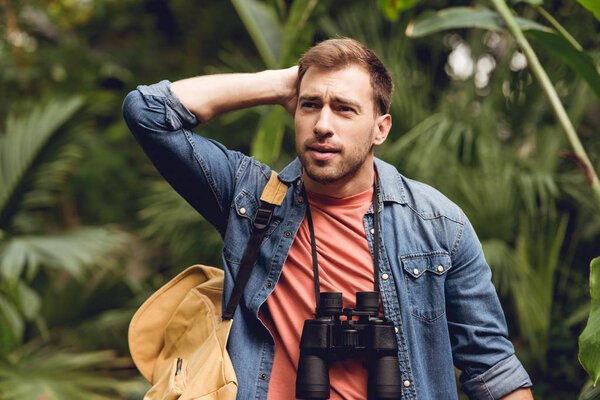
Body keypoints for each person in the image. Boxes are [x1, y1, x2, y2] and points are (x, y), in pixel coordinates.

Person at [123, 38, 533, 399]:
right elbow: (148, 113)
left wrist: (308, 90)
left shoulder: (440, 227)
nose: (322, 125)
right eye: (310, 105)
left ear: (380, 128)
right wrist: (281, 83)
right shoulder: (249, 199)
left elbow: (493, 369)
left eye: (344, 109)